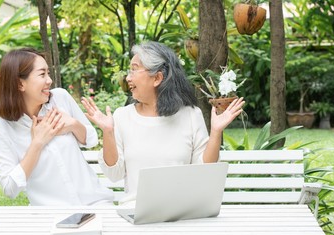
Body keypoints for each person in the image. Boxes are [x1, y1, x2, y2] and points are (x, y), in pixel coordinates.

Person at [82, 41, 244, 201]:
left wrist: (216, 133)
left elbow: (204, 171)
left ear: (157, 78)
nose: (128, 78)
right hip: (137, 214)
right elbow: (114, 174)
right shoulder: (122, 116)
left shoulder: (191, 115)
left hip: (182, 212)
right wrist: (108, 132)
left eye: (134, 70)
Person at [0, 47, 113, 206]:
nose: (49, 80)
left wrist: (73, 125)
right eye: (42, 74)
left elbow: (91, 140)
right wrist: (37, 144)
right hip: (50, 215)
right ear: (20, 84)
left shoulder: (60, 98)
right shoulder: (2, 129)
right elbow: (10, 189)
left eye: (48, 73)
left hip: (96, 203)